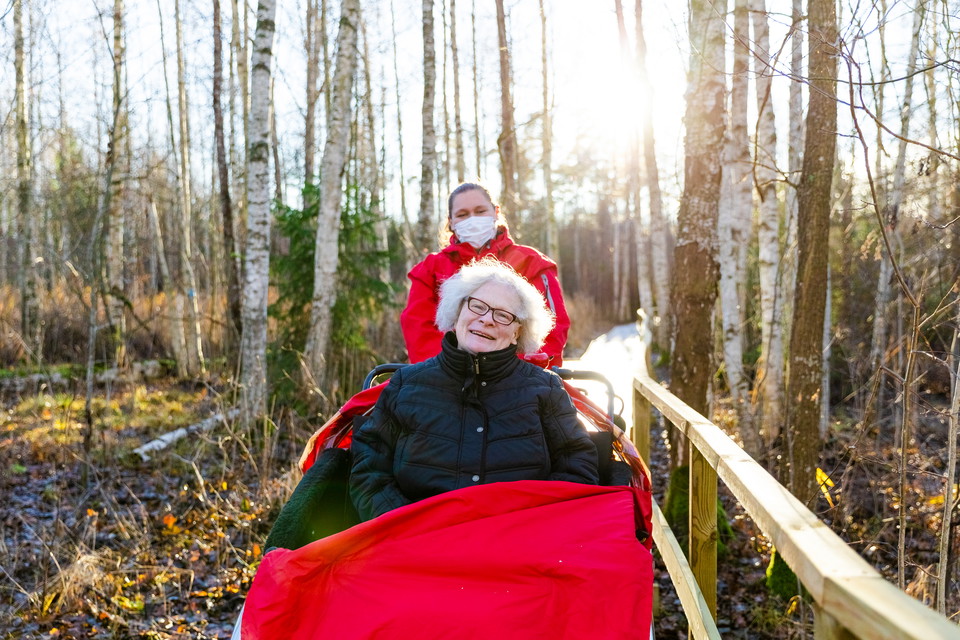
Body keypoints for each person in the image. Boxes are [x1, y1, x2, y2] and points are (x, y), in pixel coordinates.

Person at [350, 258, 598, 522]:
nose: (487, 320)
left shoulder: (545, 388)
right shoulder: (406, 385)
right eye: (477, 306)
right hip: (415, 542)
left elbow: (577, 465)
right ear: (457, 314)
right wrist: (404, 524)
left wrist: (534, 524)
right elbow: (368, 470)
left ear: (517, 333)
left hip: (520, 545)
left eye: (503, 315)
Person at [400, 182, 570, 365]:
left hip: (519, 377)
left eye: (480, 211)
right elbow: (418, 329)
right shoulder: (431, 268)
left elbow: (552, 327)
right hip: (446, 375)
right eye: (462, 215)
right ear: (451, 222)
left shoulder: (531, 262)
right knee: (379, 393)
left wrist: (515, 374)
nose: (472, 219)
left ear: (496, 212)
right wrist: (449, 371)